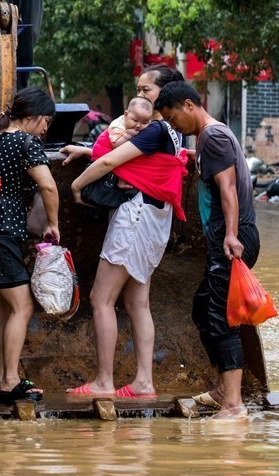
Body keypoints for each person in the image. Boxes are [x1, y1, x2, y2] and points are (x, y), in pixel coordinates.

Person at [60, 65, 187, 398]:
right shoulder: (170, 131)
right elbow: (134, 159)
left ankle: (104, 381)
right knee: (137, 302)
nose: (141, 95)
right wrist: (88, 150)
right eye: (139, 89)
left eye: (147, 90)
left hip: (136, 216)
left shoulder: (154, 129)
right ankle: (143, 381)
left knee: (101, 299)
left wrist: (77, 184)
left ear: (165, 92)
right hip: (156, 218)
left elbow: (108, 163)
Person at [156, 80, 260, 421]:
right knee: (204, 310)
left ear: (189, 105)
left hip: (233, 237)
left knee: (220, 318)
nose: (174, 126)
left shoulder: (213, 137)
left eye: (173, 119)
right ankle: (222, 389)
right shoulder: (211, 138)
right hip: (229, 236)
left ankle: (234, 405)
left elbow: (227, 189)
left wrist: (230, 235)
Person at [0, 87, 60, 404]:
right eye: (46, 121)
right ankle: (11, 379)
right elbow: (48, 186)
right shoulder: (25, 141)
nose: (45, 128)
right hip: (5, 233)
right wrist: (52, 224)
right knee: (22, 306)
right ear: (34, 116)